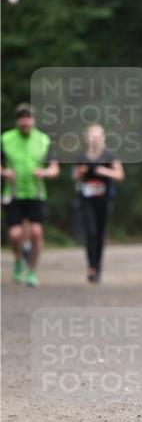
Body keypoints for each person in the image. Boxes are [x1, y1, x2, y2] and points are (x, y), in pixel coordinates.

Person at [1, 103, 59, 287]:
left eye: (28, 118)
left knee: (36, 232)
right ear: (18, 121)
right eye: (22, 119)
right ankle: (18, 260)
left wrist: (45, 173)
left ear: (33, 120)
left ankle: (32, 271)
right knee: (15, 234)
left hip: (36, 193)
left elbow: (54, 168)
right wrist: (4, 173)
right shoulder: (6, 139)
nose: (25, 122)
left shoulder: (43, 140)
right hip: (13, 192)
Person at [73, 123, 124, 283]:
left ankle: (98, 267)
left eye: (98, 135)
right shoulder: (81, 157)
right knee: (91, 232)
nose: (95, 139)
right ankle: (91, 266)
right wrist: (79, 172)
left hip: (104, 200)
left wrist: (104, 171)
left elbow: (120, 175)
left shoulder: (109, 155)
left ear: (103, 138)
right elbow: (74, 177)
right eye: (92, 135)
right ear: (86, 138)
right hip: (87, 200)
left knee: (100, 234)